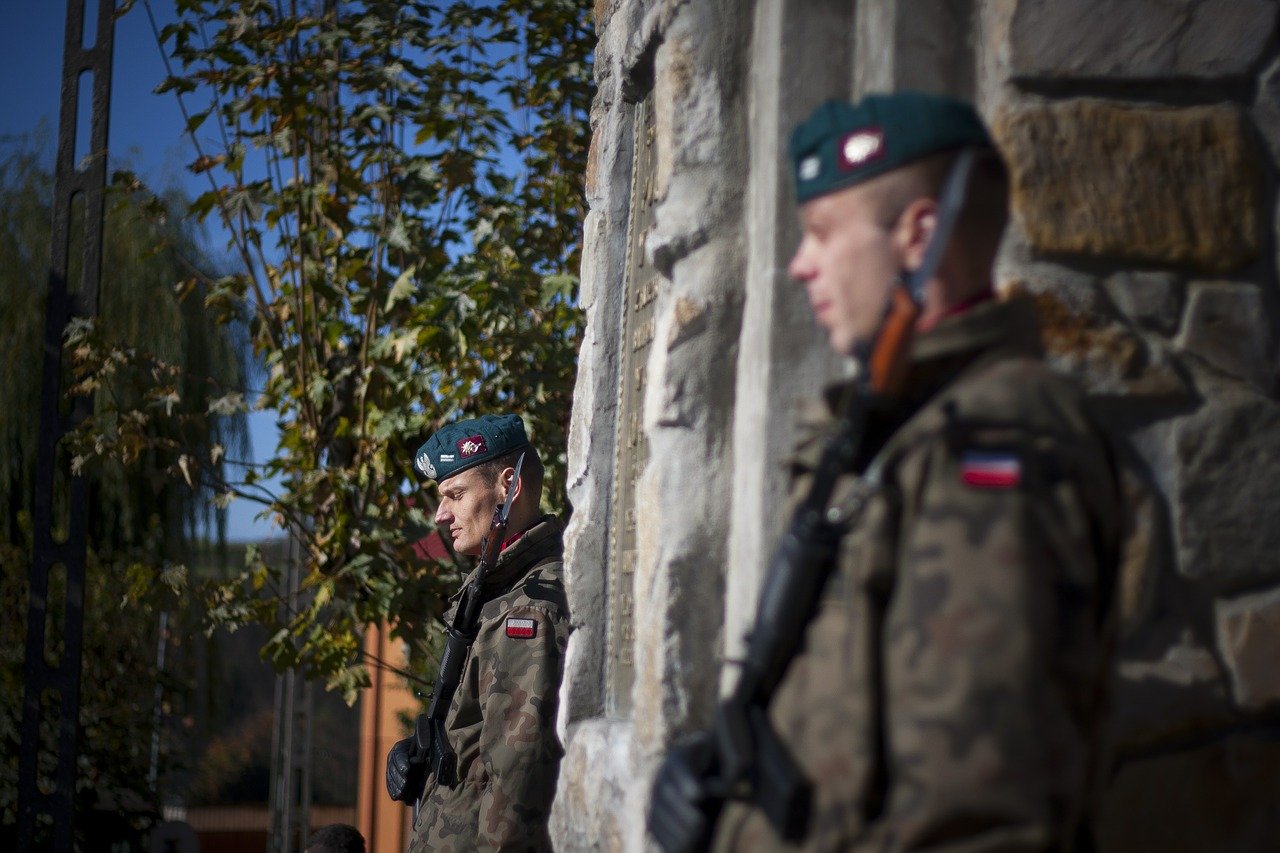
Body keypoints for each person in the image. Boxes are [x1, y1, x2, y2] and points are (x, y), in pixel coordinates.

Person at [659, 92, 1122, 850]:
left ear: (919, 235)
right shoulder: (894, 425)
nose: (800, 264)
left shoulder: (992, 437)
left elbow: (974, 815)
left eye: (821, 233)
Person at [395, 414, 571, 852]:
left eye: (455, 495)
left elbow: (516, 780)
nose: (440, 514)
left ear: (508, 487)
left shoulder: (526, 609)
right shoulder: (497, 589)